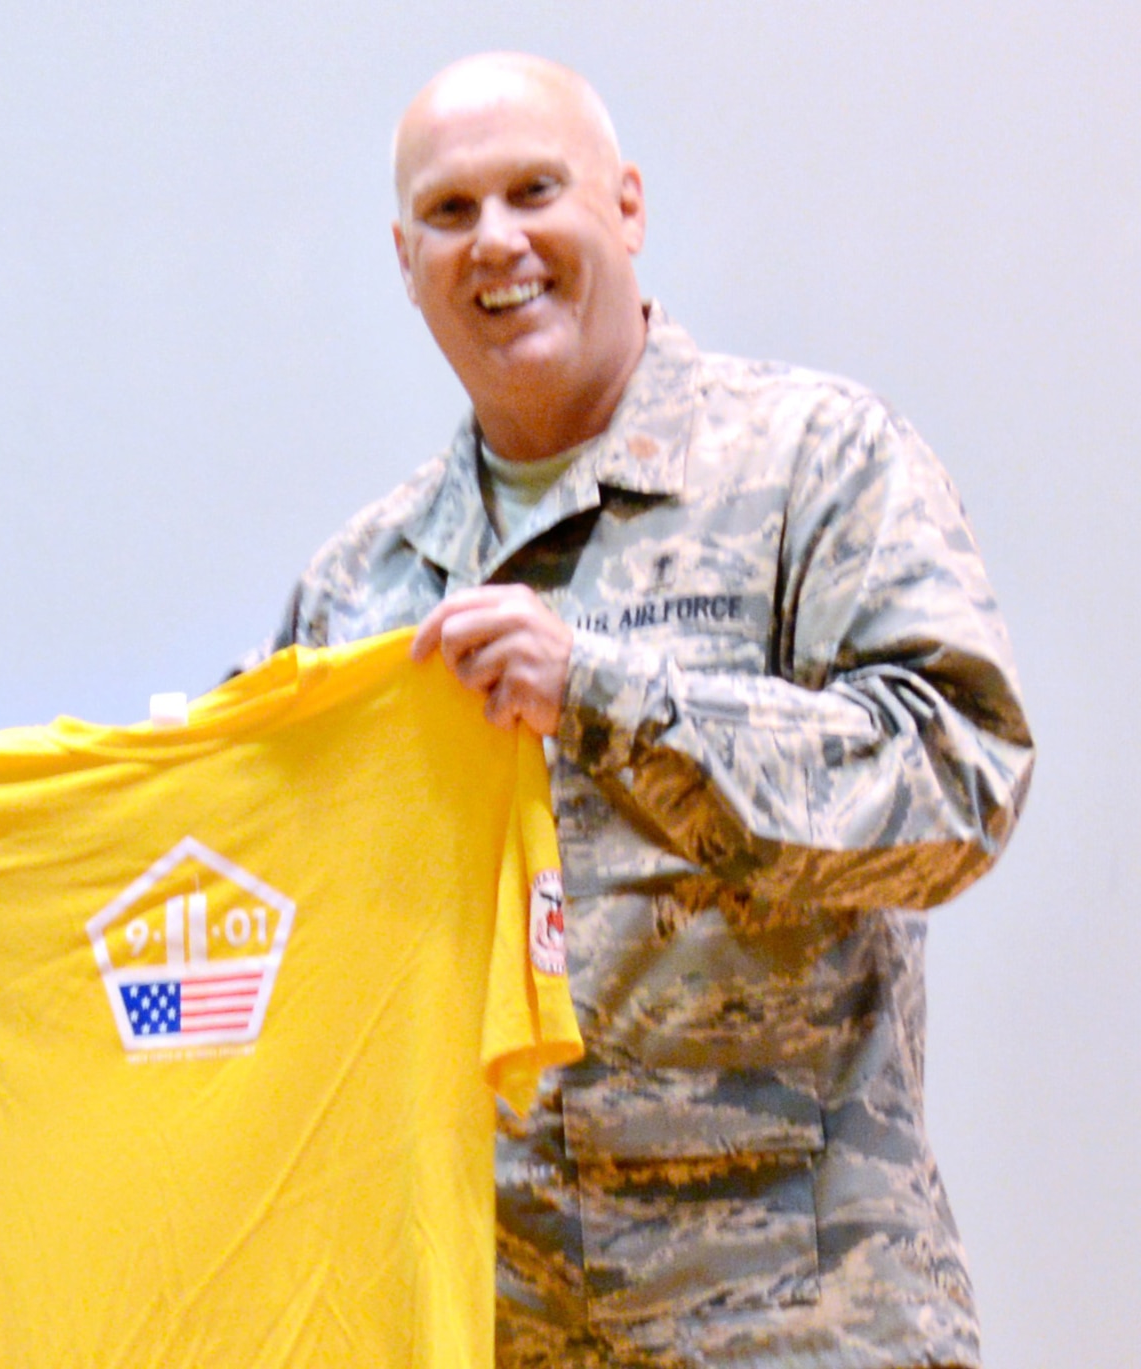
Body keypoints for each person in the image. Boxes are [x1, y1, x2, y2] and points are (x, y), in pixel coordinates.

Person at [256, 54, 1034, 1368]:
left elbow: (955, 787)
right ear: (404, 260)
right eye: (450, 213)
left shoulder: (818, 463)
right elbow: (274, 919)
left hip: (795, 1310)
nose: (495, 242)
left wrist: (612, 700)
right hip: (483, 1326)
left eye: (533, 191)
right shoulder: (359, 583)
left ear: (625, 206)